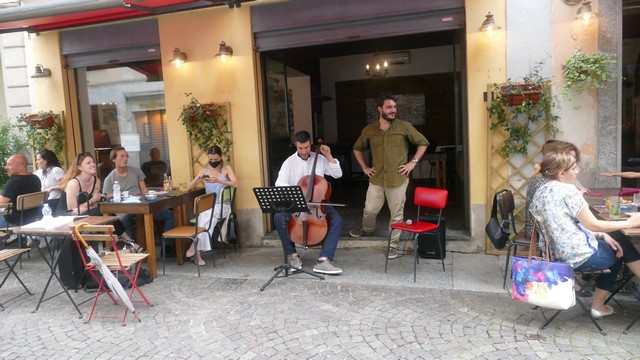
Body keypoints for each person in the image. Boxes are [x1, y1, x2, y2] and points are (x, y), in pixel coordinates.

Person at [531, 151, 640, 318]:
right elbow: (594, 224)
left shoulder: (541, 190)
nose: (577, 171)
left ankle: (598, 305)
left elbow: (563, 225)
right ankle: (598, 306)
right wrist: (629, 223)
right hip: (578, 256)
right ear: (561, 173)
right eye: (574, 168)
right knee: (621, 248)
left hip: (554, 255)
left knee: (616, 240)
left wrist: (602, 235)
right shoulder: (568, 191)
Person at [349, 92, 429, 259]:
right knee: (370, 210)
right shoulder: (369, 130)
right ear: (380, 109)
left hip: (397, 178)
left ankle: (393, 246)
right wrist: (364, 167)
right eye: (389, 107)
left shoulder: (404, 126)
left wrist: (412, 162)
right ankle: (367, 230)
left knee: (397, 214)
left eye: (394, 107)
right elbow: (357, 148)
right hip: (377, 178)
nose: (393, 110)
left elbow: (423, 143)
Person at [274, 130, 343, 274]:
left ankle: (324, 260)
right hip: (296, 203)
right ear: (296, 146)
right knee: (279, 217)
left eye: (306, 147)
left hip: (317, 203)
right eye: (300, 148)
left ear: (310, 144)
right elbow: (279, 183)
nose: (304, 151)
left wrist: (328, 155)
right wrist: (298, 192)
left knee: (337, 219)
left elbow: (337, 174)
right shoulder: (289, 162)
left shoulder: (320, 158)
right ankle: (292, 256)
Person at [58, 152, 134, 241]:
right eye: (88, 163)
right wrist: (91, 201)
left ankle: (127, 241)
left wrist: (87, 206)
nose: (93, 164)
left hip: (85, 212)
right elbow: (73, 210)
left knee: (106, 212)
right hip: (66, 216)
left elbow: (96, 204)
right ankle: (128, 241)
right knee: (105, 212)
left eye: (93, 162)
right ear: (80, 167)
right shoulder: (73, 183)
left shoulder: (96, 180)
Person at [524, 140, 590, 241]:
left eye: (574, 159)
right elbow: (555, 221)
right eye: (569, 157)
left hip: (549, 230)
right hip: (538, 233)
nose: (573, 161)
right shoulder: (545, 182)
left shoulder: (549, 176)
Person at [102, 146, 175, 237]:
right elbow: (107, 196)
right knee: (124, 220)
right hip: (124, 208)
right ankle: (133, 246)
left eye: (126, 156)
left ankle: (167, 245)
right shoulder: (109, 178)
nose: (125, 158)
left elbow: (144, 190)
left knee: (170, 215)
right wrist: (122, 194)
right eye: (122, 156)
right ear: (113, 159)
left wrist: (152, 195)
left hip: (142, 204)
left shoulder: (136, 171)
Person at [186, 145, 238, 265]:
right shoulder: (204, 171)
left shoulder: (226, 169)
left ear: (220, 157)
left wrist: (218, 180)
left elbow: (236, 184)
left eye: (215, 159)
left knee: (206, 216)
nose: (213, 162)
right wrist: (199, 177)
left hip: (223, 206)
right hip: (210, 206)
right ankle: (197, 253)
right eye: (211, 160)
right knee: (207, 218)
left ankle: (195, 247)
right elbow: (189, 187)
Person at [0, 154, 41, 228]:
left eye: (9, 165)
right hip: (32, 218)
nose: (6, 168)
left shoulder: (13, 182)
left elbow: (1, 204)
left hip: (12, 221)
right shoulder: (35, 179)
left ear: (21, 167)